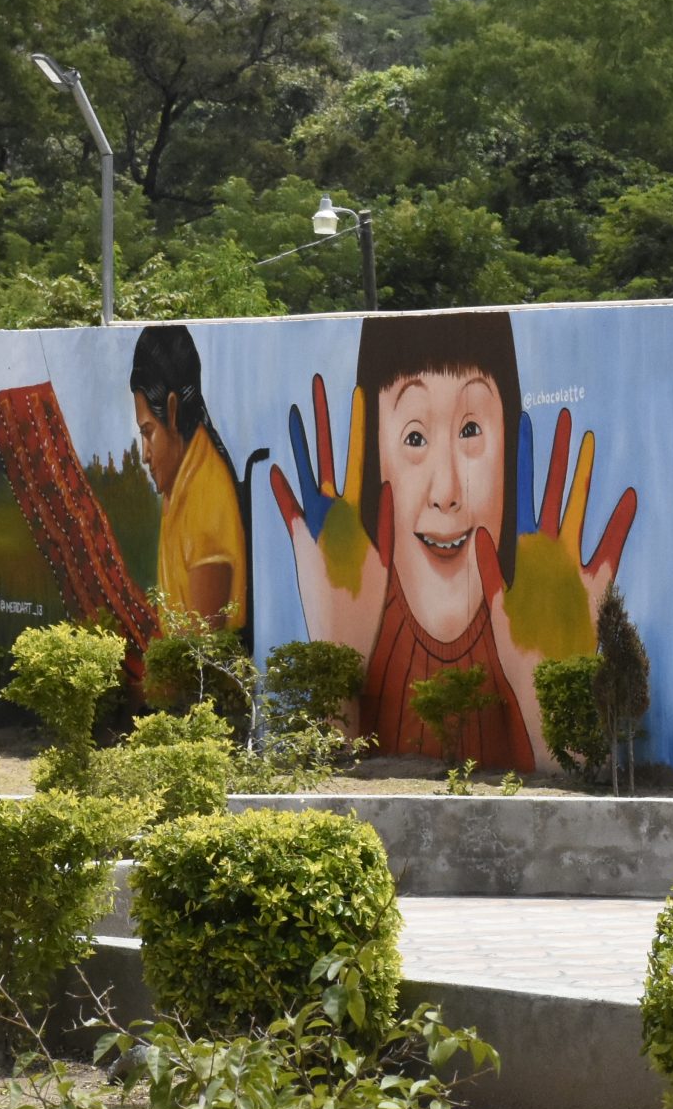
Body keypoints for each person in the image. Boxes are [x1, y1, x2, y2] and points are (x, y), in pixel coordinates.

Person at [268, 312, 636, 771]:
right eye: (414, 437)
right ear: (374, 458)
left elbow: (567, 791)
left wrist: (549, 697)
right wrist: (339, 650)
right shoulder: (352, 610)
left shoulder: (533, 622)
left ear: (508, 452)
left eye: (470, 431)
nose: (446, 492)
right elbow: (332, 783)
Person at [129, 323, 245, 631]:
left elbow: (201, 647)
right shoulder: (182, 481)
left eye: (148, 432)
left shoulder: (205, 499)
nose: (144, 454)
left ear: (172, 410)